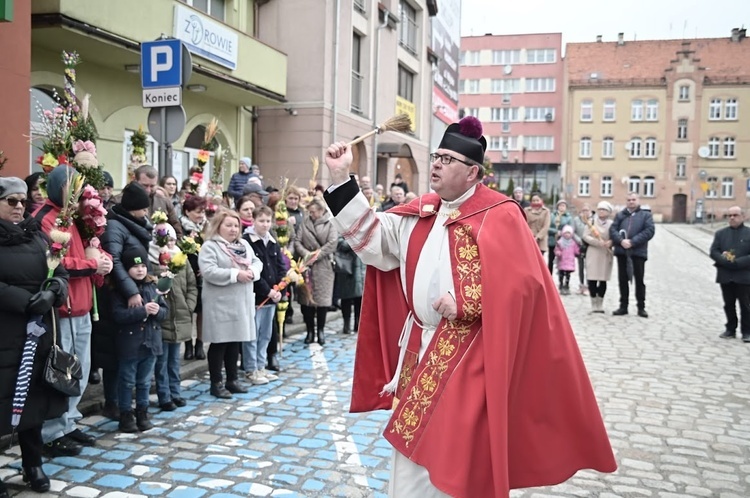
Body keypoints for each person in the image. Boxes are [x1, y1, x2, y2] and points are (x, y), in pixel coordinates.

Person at [322, 116, 616, 497]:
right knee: (411, 451)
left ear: (472, 172)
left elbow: (526, 287)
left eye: (447, 159)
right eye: (436, 156)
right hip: (418, 348)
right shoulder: (421, 210)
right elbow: (373, 243)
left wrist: (469, 301)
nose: (437, 164)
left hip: (469, 354)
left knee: (457, 452)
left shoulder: (501, 213)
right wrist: (342, 178)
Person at [35, 166, 112, 458]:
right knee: (61, 372)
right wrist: (93, 265)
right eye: (71, 186)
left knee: (78, 371)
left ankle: (68, 422)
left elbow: (89, 251)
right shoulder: (46, 218)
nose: (77, 193)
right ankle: (51, 432)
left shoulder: (78, 218)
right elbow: (55, 263)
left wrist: (102, 260)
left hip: (82, 305)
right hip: (62, 308)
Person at [0, 177, 69, 495]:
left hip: (37, 333)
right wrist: (22, 300)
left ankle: (32, 463)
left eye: (22, 201)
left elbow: (61, 271)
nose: (18, 207)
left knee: (33, 401)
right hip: (5, 331)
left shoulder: (38, 236)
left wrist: (54, 291)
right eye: (10, 201)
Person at [98, 181, 154, 421]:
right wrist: (131, 291)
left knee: (123, 354)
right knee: (113, 353)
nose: (147, 213)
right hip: (117, 295)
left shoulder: (132, 225)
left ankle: (123, 404)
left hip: (134, 291)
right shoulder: (115, 227)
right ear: (133, 208)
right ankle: (113, 403)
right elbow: (115, 262)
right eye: (144, 208)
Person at [199, 208, 261, 398]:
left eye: (236, 225)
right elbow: (209, 271)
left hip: (241, 302)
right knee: (220, 343)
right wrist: (235, 274)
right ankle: (216, 383)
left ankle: (232, 379)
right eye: (229, 225)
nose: (233, 229)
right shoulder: (210, 247)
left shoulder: (243, 245)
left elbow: (257, 261)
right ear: (219, 226)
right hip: (220, 303)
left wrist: (253, 272)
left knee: (235, 342)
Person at [111, 246, 167, 432]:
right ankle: (125, 414)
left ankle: (142, 412)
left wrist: (158, 311)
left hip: (151, 343)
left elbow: (165, 311)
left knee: (144, 381)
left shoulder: (153, 286)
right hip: (129, 343)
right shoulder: (121, 291)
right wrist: (141, 311)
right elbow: (118, 315)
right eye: (135, 267)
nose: (140, 269)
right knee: (127, 380)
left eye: (143, 265)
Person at [149, 224, 197, 410]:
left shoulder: (181, 259)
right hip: (162, 318)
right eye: (165, 240)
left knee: (174, 360)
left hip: (179, 316)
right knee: (161, 362)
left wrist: (189, 306)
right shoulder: (153, 261)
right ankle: (164, 395)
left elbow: (192, 285)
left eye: (172, 240)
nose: (170, 244)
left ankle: (175, 392)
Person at [242, 206, 285, 384]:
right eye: (261, 221)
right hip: (255, 296)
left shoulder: (272, 241)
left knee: (266, 334)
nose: (265, 225)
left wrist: (280, 288)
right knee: (252, 334)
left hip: (272, 297)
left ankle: (261, 366)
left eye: (268, 221)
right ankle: (251, 369)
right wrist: (267, 290)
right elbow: (251, 270)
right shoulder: (247, 241)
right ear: (253, 221)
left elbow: (280, 266)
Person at [293, 198, 338, 345]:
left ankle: (320, 330)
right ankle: (310, 331)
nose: (311, 214)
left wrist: (316, 255)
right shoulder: (305, 223)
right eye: (309, 211)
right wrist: (307, 254)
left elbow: (332, 243)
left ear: (321, 210)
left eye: (313, 211)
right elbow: (297, 241)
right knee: (306, 299)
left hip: (323, 265)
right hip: (306, 265)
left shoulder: (330, 223)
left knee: (322, 301)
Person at [610, 192, 655, 317]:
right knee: (623, 280)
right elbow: (613, 230)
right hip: (622, 252)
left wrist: (633, 242)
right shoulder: (620, 215)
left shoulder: (646, 215)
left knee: (639, 280)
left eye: (633, 199)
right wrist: (621, 241)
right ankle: (623, 306)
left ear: (638, 200)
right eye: (629, 199)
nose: (631, 202)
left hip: (638, 252)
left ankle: (641, 307)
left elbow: (649, 231)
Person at [710, 206, 750, 342]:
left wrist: (739, 262)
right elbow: (713, 251)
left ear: (743, 216)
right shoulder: (721, 233)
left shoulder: (748, 233)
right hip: (725, 273)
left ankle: (747, 331)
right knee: (728, 303)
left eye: (735, 215)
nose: (732, 218)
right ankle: (730, 328)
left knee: (745, 304)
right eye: (729, 215)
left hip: (744, 274)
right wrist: (723, 259)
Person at [114, 166, 182, 237]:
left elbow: (177, 230)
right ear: (135, 180)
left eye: (152, 186)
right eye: (144, 185)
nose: (148, 190)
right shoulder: (119, 201)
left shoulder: (163, 201)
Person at [180, 195, 208, 360]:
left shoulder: (206, 227)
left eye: (202, 212)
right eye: (197, 212)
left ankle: (200, 344)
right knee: (187, 310)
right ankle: (188, 345)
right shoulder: (181, 228)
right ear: (187, 211)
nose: (200, 215)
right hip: (186, 272)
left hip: (204, 274)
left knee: (202, 311)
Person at [583, 201, 615, 313]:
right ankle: (593, 304)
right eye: (600, 209)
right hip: (593, 252)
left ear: (609, 212)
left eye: (604, 209)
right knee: (592, 278)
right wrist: (597, 242)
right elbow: (585, 236)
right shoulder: (591, 222)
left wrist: (611, 242)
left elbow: (615, 236)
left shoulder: (612, 224)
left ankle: (600, 303)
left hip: (605, 253)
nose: (601, 211)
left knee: (602, 279)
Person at [336, 236, 365, 334]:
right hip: (347, 267)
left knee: (360, 298)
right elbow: (339, 242)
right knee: (346, 298)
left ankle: (358, 324)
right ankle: (346, 325)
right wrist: (355, 241)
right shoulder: (342, 222)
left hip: (361, 266)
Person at [571, 203, 592, 295]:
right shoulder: (576, 220)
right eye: (583, 210)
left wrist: (588, 240)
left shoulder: (593, 220)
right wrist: (579, 240)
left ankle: (588, 286)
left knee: (589, 267)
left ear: (590, 211)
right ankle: (581, 285)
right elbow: (573, 232)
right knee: (581, 266)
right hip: (580, 245)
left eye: (587, 210)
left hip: (590, 245)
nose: (585, 212)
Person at [547, 199, 572, 275]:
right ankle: (549, 275)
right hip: (552, 241)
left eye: (563, 206)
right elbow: (547, 227)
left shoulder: (568, 217)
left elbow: (570, 228)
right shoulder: (552, 215)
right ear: (557, 206)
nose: (562, 207)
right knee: (551, 259)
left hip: (563, 241)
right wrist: (555, 231)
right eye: (560, 205)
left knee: (563, 260)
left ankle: (562, 277)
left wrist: (563, 233)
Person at [554, 225, 580, 295]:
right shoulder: (560, 242)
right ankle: (561, 284)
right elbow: (557, 249)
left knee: (568, 274)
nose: (567, 235)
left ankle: (566, 285)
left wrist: (579, 252)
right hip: (562, 260)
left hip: (570, 262)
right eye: (566, 233)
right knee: (561, 273)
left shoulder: (573, 243)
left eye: (569, 233)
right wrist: (558, 253)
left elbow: (576, 250)